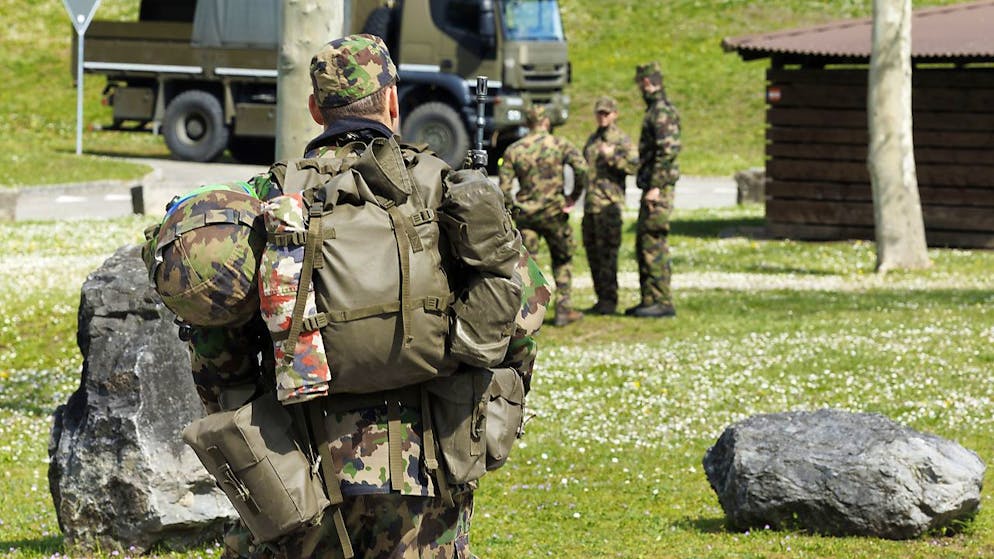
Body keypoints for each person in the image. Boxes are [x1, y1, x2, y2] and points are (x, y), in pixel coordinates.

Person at [150, 34, 548, 558]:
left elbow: (217, 340)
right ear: (392, 102)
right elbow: (523, 308)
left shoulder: (272, 198)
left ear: (316, 110)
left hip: (298, 468)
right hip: (425, 471)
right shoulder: (444, 186)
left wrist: (244, 410)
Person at [499, 104, 590, 327]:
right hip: (554, 213)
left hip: (527, 215)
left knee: (529, 266)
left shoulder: (515, 149)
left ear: (527, 123)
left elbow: (504, 186)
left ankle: (529, 316)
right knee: (563, 259)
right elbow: (582, 169)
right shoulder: (560, 144)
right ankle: (563, 310)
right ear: (547, 122)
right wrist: (573, 196)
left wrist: (513, 207)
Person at [628, 61, 681, 318]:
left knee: (653, 243)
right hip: (651, 186)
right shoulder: (655, 110)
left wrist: (656, 187)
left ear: (647, 83)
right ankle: (649, 298)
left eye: (640, 84)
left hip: (657, 190)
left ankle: (662, 300)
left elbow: (668, 150)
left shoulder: (661, 112)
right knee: (644, 243)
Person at [581, 96, 639, 316]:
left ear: (615, 114)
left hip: (609, 205)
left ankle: (610, 299)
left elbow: (634, 166)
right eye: (599, 113)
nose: (602, 117)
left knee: (608, 255)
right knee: (592, 253)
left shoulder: (621, 140)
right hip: (591, 205)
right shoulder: (593, 139)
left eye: (606, 113)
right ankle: (601, 298)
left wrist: (613, 157)